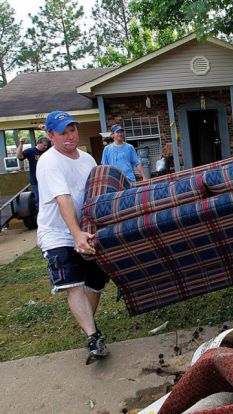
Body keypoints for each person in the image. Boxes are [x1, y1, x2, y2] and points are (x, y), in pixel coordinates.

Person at [37, 111, 110, 365]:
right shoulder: (48, 161)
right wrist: (76, 234)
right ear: (51, 136)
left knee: (95, 282)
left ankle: (89, 329)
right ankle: (93, 336)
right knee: (74, 283)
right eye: (62, 132)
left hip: (85, 228)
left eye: (72, 130)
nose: (69, 136)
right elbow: (62, 198)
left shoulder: (87, 158)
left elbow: (95, 193)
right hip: (58, 233)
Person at [16, 135, 51, 212]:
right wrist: (21, 144)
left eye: (47, 146)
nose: (45, 147)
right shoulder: (31, 151)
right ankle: (40, 215)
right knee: (39, 198)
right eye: (44, 145)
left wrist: (46, 129)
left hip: (48, 180)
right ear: (39, 143)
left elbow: (54, 141)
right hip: (36, 180)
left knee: (50, 198)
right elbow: (19, 156)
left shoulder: (48, 150)